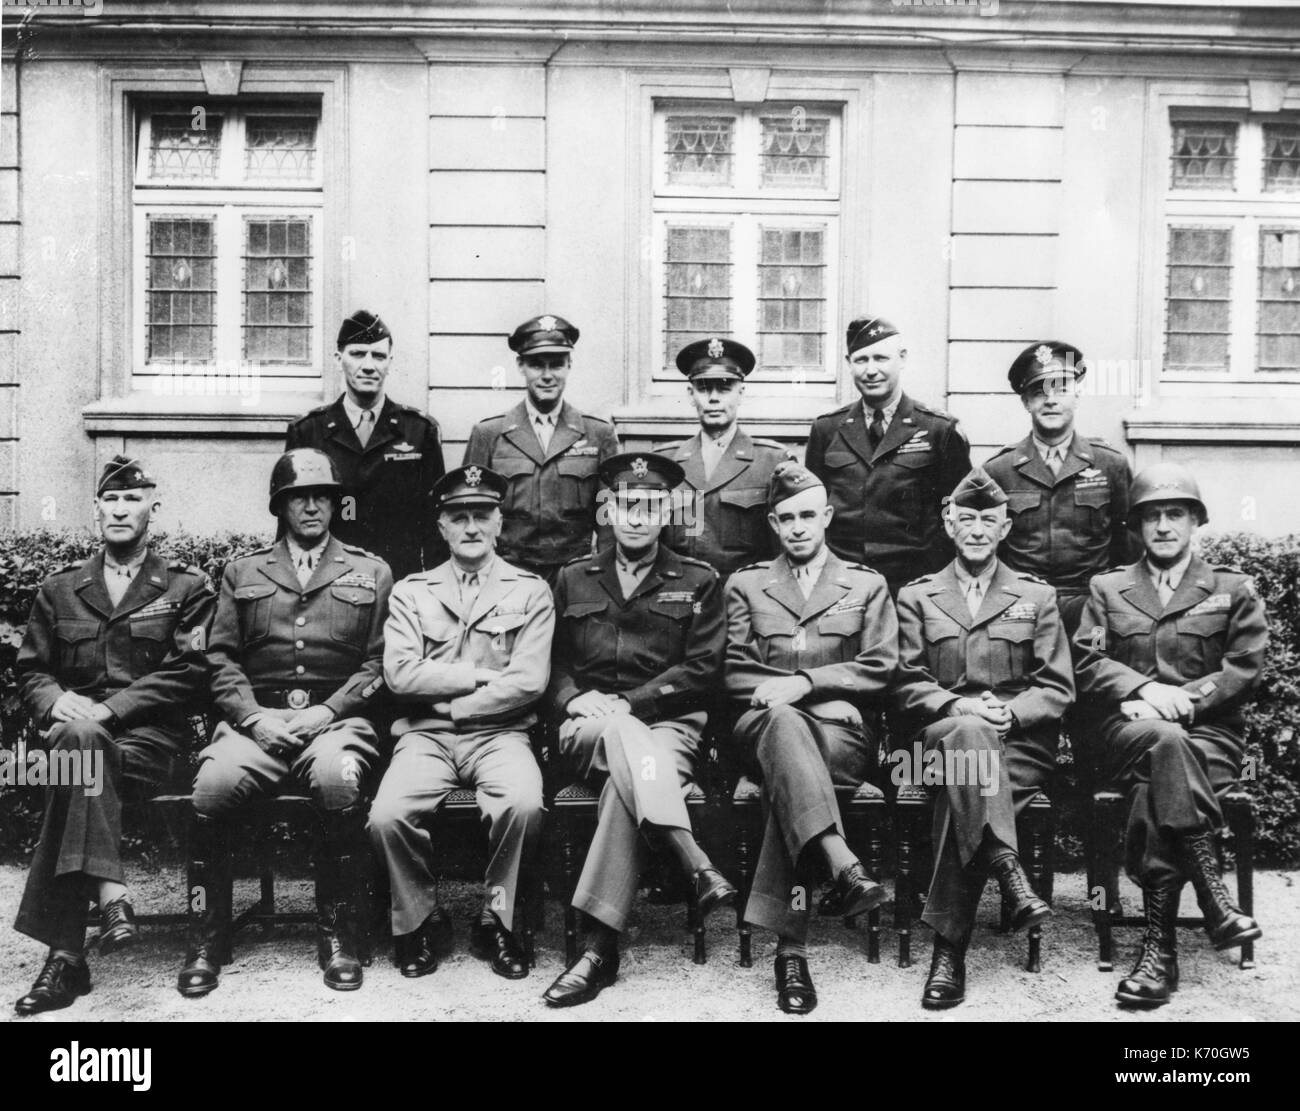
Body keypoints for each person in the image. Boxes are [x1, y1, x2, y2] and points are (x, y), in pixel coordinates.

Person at [178, 449, 393, 997]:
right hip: (258, 723)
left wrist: (329, 711)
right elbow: (220, 659)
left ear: (336, 503)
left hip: (337, 723)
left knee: (336, 778)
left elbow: (379, 664)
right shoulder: (242, 571)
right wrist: (252, 717)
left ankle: (341, 936)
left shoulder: (371, 570)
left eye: (322, 496)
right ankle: (206, 936)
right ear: (281, 506)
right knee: (211, 787)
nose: (313, 507)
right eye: (299, 497)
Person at [13, 456, 215, 1015]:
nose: (120, 509)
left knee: (80, 749)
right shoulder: (60, 590)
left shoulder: (185, 588)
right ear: (96, 510)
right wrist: (56, 700)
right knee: (78, 743)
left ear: (154, 508)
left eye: (133, 499)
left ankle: (66, 956)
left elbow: (189, 673)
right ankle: (107, 899)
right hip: (74, 740)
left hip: (151, 745)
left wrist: (108, 712)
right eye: (111, 500)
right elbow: (31, 671)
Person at [541, 452, 735, 1008]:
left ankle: (599, 948)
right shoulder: (574, 577)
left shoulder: (698, 579)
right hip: (588, 730)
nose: (636, 516)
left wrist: (628, 704)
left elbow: (702, 669)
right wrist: (574, 700)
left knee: (625, 787)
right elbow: (551, 663)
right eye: (627, 504)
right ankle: (692, 859)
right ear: (609, 509)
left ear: (667, 510)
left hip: (670, 728)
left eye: (650, 505)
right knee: (628, 747)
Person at [1073, 462, 1267, 1009]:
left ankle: (1159, 952)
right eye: (1151, 516)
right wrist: (1145, 689)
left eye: (1174, 514)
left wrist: (1188, 699)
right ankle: (1214, 900)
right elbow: (1086, 664)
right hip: (1127, 731)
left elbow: (1245, 665)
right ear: (1136, 526)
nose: (1163, 526)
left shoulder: (1231, 588)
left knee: (1155, 781)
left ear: (1195, 521)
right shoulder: (1107, 587)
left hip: (1210, 738)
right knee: (1162, 741)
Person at [892, 466, 1073, 1009]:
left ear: (1005, 527)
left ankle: (948, 953)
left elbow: (1058, 686)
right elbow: (903, 681)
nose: (975, 529)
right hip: (937, 740)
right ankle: (1007, 871)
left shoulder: (1036, 597)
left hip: (1018, 746)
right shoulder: (918, 596)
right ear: (949, 524)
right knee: (967, 737)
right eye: (965, 518)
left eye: (987, 520)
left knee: (961, 792)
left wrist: (1013, 715)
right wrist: (959, 705)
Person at [725, 461, 898, 1015]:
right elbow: (731, 671)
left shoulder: (865, 585)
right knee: (782, 729)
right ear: (773, 524)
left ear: (826, 517)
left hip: (842, 739)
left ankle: (790, 951)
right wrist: (812, 695)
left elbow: (880, 666)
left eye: (807, 516)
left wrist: (804, 685)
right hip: (761, 728)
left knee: (789, 764)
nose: (797, 527)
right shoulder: (747, 584)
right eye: (786, 519)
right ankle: (841, 860)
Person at [367, 465, 553, 981]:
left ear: (500, 524)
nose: (471, 527)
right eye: (458, 517)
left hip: (501, 734)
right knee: (387, 816)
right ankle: (422, 919)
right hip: (426, 738)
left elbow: (530, 680)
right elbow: (401, 674)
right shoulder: (412, 591)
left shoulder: (530, 591)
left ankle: (497, 917)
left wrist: (452, 701)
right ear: (442, 527)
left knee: (521, 805)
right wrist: (476, 676)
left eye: (481, 516)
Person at [805, 315, 971, 595]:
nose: (871, 370)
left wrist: (934, 580)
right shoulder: (826, 429)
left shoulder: (938, 430)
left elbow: (954, 511)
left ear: (902, 358)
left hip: (915, 584)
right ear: (848, 364)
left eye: (881, 358)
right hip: (842, 584)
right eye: (861, 360)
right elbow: (813, 508)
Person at [983, 341, 1137, 636]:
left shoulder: (1109, 465)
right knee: (1022, 680)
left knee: (1096, 670)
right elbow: (991, 550)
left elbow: (1129, 546)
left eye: (1061, 389)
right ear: (1026, 402)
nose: (1051, 400)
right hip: (1021, 609)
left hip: (1093, 613)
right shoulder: (998, 471)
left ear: (1077, 395)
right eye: (1039, 392)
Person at [286, 309, 446, 579]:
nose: (369, 365)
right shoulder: (308, 431)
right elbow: (290, 521)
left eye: (379, 356)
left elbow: (435, 525)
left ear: (390, 362)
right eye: (358, 354)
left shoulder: (419, 431)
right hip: (328, 582)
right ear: (339, 359)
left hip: (398, 581)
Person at [463, 314, 619, 580]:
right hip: (507, 574)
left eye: (556, 364)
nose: (547, 376)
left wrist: (603, 577)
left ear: (570, 365)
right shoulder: (489, 434)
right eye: (536, 365)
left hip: (576, 575)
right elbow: (471, 512)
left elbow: (609, 519)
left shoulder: (598, 434)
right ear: (520, 366)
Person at [658, 337, 791, 577]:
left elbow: (786, 548)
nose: (714, 398)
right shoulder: (664, 463)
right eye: (703, 388)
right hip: (677, 597)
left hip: (742, 599)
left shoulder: (773, 462)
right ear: (690, 395)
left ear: (741, 393)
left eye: (724, 387)